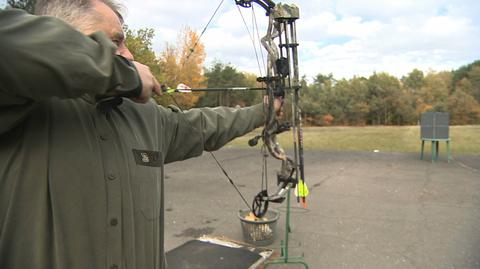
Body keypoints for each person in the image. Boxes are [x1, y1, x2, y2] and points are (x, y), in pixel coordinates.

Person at [0, 0, 281, 268]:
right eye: (113, 43)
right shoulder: (19, 107)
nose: (129, 55)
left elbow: (206, 124)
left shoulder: (144, 116)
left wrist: (263, 112)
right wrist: (122, 73)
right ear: (62, 38)